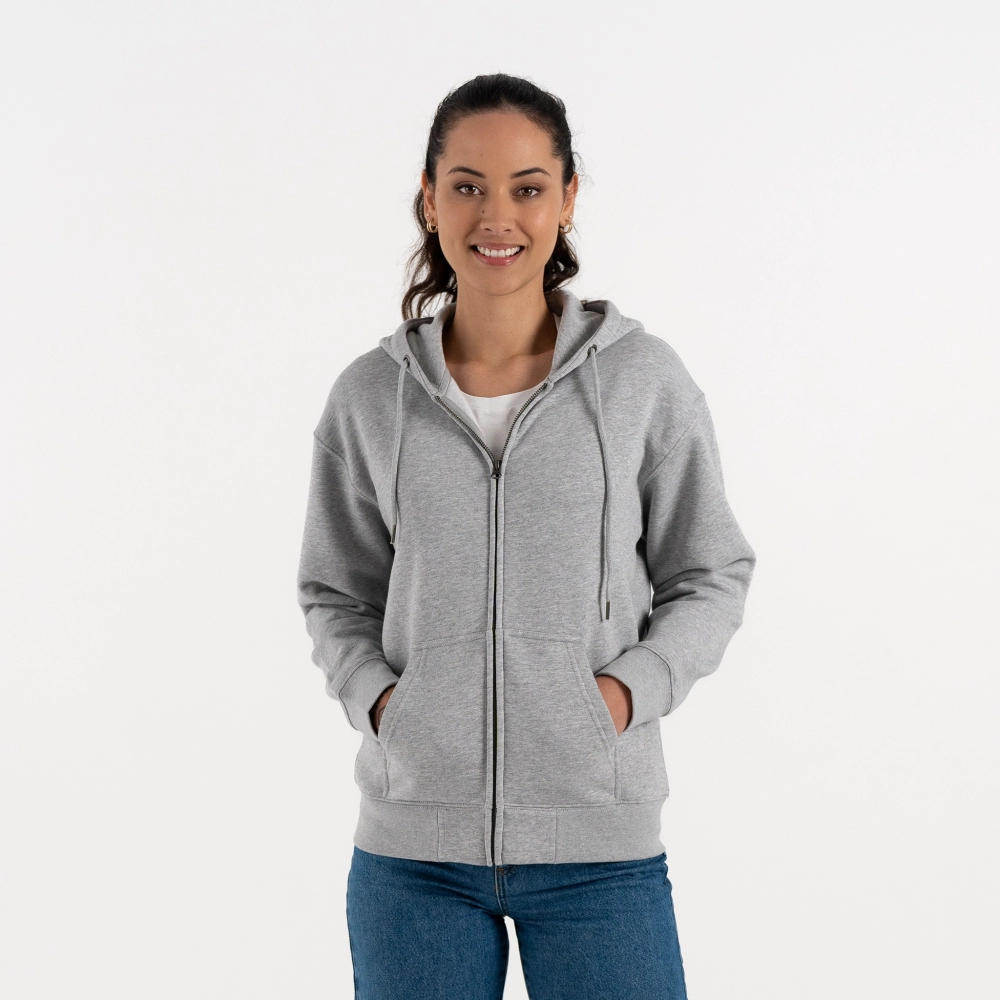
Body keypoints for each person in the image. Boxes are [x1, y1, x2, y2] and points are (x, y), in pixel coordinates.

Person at [296, 73, 756, 1000]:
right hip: (413, 859)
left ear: (567, 198)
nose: (496, 216)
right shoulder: (370, 397)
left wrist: (622, 695)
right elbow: (335, 592)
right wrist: (385, 704)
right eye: (467, 185)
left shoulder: (641, 382)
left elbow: (711, 572)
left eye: (528, 187)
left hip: (598, 851)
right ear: (430, 199)